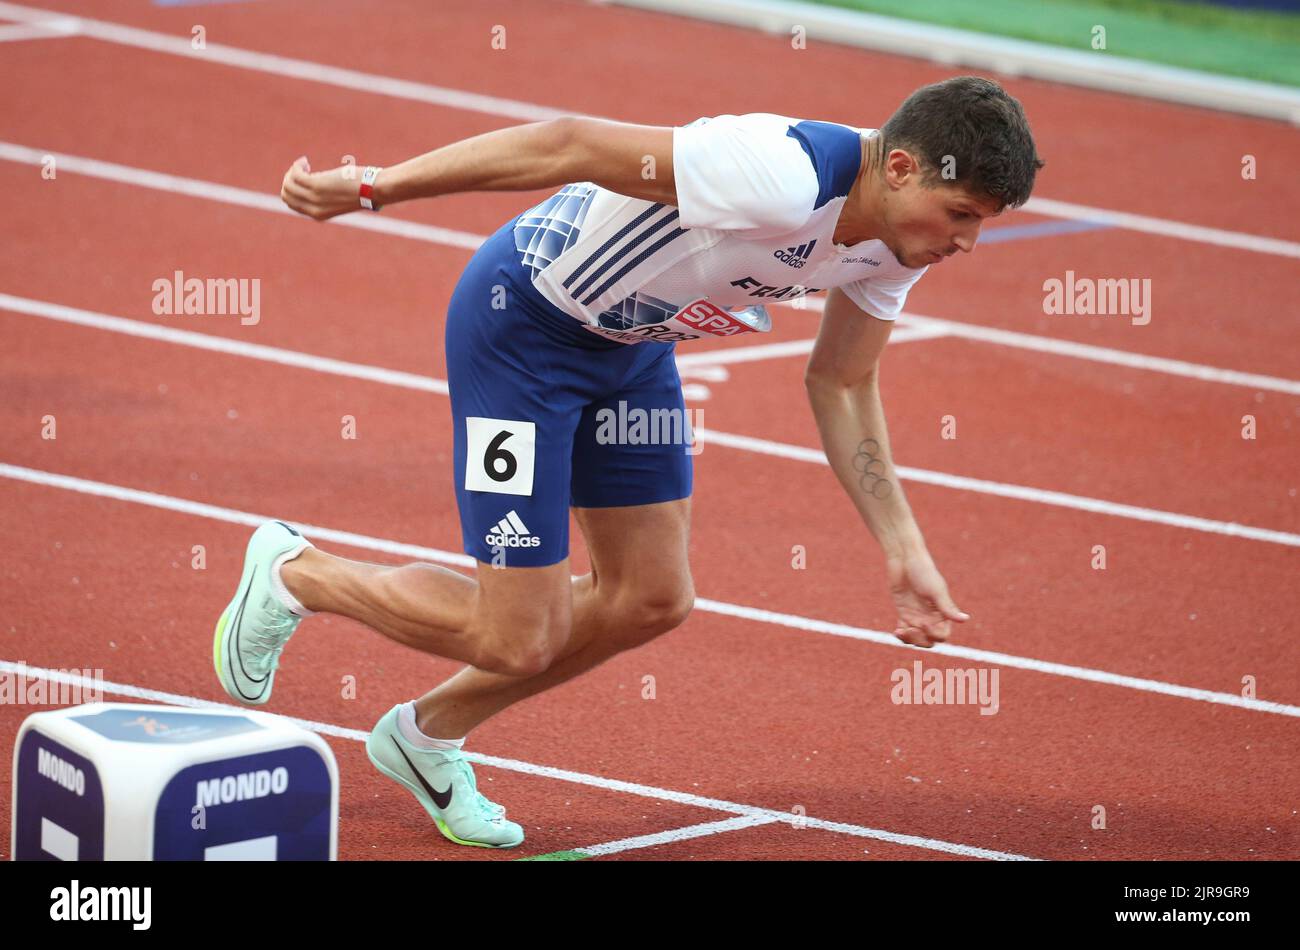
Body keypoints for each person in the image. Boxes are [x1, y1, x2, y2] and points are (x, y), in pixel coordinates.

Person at [213, 75, 1043, 849]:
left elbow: (842, 380)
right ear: (900, 167)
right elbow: (569, 142)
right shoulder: (779, 176)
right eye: (961, 213)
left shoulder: (898, 243)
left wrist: (902, 546)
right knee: (516, 637)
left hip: (634, 353)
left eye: (981, 223)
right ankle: (299, 572)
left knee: (650, 598)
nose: (967, 241)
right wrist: (374, 186)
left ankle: (424, 736)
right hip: (524, 333)